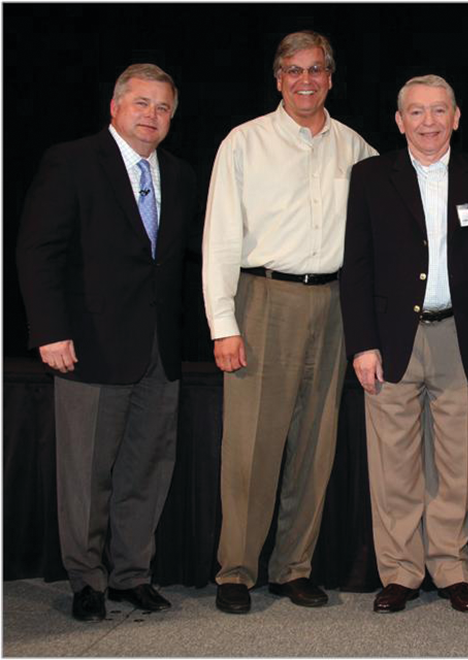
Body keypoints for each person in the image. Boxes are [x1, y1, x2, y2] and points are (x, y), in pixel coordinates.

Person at [202, 30, 377, 614]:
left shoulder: (355, 148)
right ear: (278, 78)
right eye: (295, 70)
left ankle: (292, 567)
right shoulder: (244, 143)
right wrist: (223, 323)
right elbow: (220, 238)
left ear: (331, 77)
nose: (306, 80)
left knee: (315, 443)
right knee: (251, 444)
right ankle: (236, 569)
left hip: (332, 306)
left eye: (317, 70)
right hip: (263, 299)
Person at [16, 64, 196, 621]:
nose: (152, 116)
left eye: (163, 107)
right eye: (141, 103)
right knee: (86, 475)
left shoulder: (182, 175)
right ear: (115, 108)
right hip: (88, 346)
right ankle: (86, 582)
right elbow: (38, 250)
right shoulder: (70, 161)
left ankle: (130, 576)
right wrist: (49, 329)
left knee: (145, 470)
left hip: (159, 351)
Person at [340, 75, 468, 614]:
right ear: (399, 121)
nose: (428, 122)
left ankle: (450, 567)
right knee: (393, 462)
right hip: (393, 339)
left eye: (438, 111)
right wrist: (361, 344)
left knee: (456, 462)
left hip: (461, 337)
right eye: (416, 112)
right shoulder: (370, 177)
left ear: (456, 117)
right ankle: (399, 571)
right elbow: (357, 265)